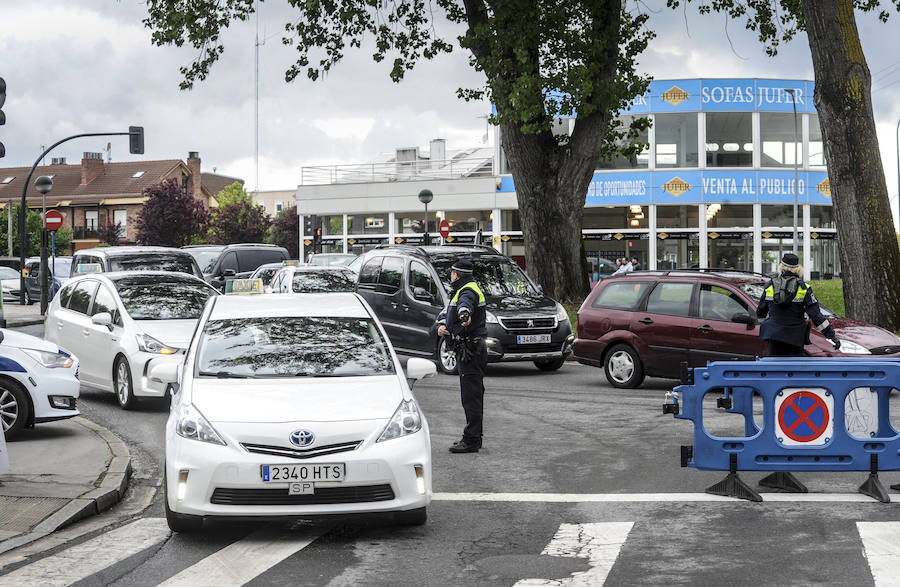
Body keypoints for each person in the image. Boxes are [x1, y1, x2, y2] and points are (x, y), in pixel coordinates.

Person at [437, 258, 488, 453]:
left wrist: (464, 316)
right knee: (471, 395)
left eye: (452, 273)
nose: (451, 277)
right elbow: (451, 315)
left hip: (471, 352)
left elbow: (465, 306)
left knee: (471, 397)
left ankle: (472, 440)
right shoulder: (464, 289)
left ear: (456, 274)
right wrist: (443, 327)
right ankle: (473, 437)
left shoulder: (467, 291)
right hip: (468, 349)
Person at [756, 252, 840, 356]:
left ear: (781, 266)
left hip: (774, 336)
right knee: (796, 369)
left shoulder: (770, 285)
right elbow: (816, 316)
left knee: (776, 369)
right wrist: (832, 336)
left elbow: (760, 312)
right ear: (798, 269)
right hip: (795, 337)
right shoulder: (803, 288)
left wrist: (770, 324)